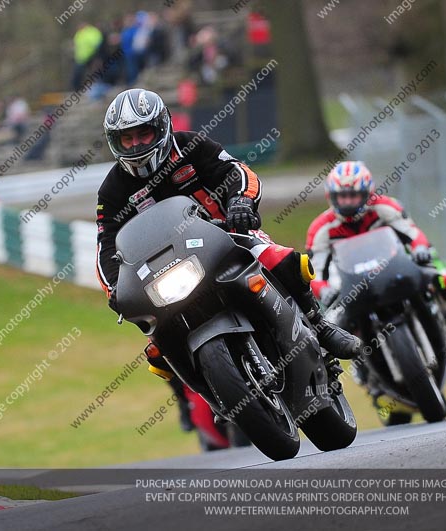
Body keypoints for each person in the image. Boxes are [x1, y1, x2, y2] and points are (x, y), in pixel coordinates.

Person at [96, 89, 362, 424]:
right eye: (127, 138)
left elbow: (237, 172)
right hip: (165, 269)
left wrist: (241, 201)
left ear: (161, 127)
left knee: (281, 259)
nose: (136, 145)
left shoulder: (191, 146)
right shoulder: (113, 189)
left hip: (226, 236)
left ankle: (320, 326)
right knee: (156, 346)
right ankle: (212, 390)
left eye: (143, 134)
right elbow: (106, 245)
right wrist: (115, 288)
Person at [305, 160, 446, 368]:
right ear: (331, 196)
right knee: (332, 320)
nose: (348, 202)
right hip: (352, 282)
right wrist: (323, 290)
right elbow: (315, 269)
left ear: (367, 193)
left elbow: (412, 232)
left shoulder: (385, 206)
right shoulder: (321, 227)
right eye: (342, 196)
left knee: (439, 273)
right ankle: (358, 362)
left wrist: (420, 248)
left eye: (353, 195)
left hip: (394, 267)